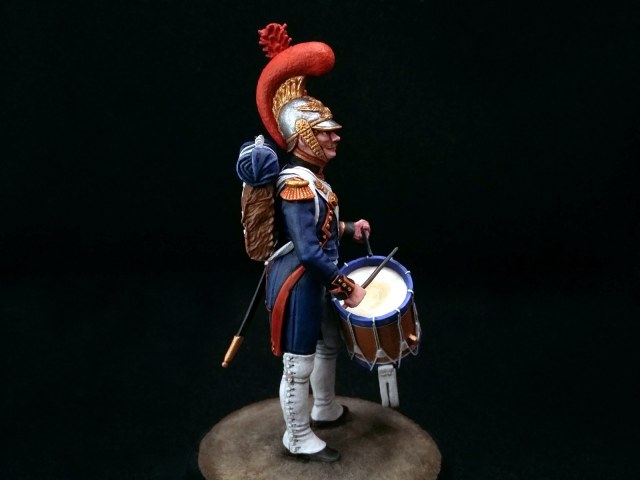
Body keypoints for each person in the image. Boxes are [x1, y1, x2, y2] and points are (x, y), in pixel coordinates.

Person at [251, 23, 371, 463]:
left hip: (318, 275)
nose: (335, 136)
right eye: (325, 131)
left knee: (328, 345)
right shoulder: (296, 186)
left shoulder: (313, 181)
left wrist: (348, 228)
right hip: (301, 280)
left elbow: (321, 228)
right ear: (304, 135)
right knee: (298, 362)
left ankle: (324, 408)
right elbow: (306, 248)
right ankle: (297, 436)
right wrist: (345, 286)